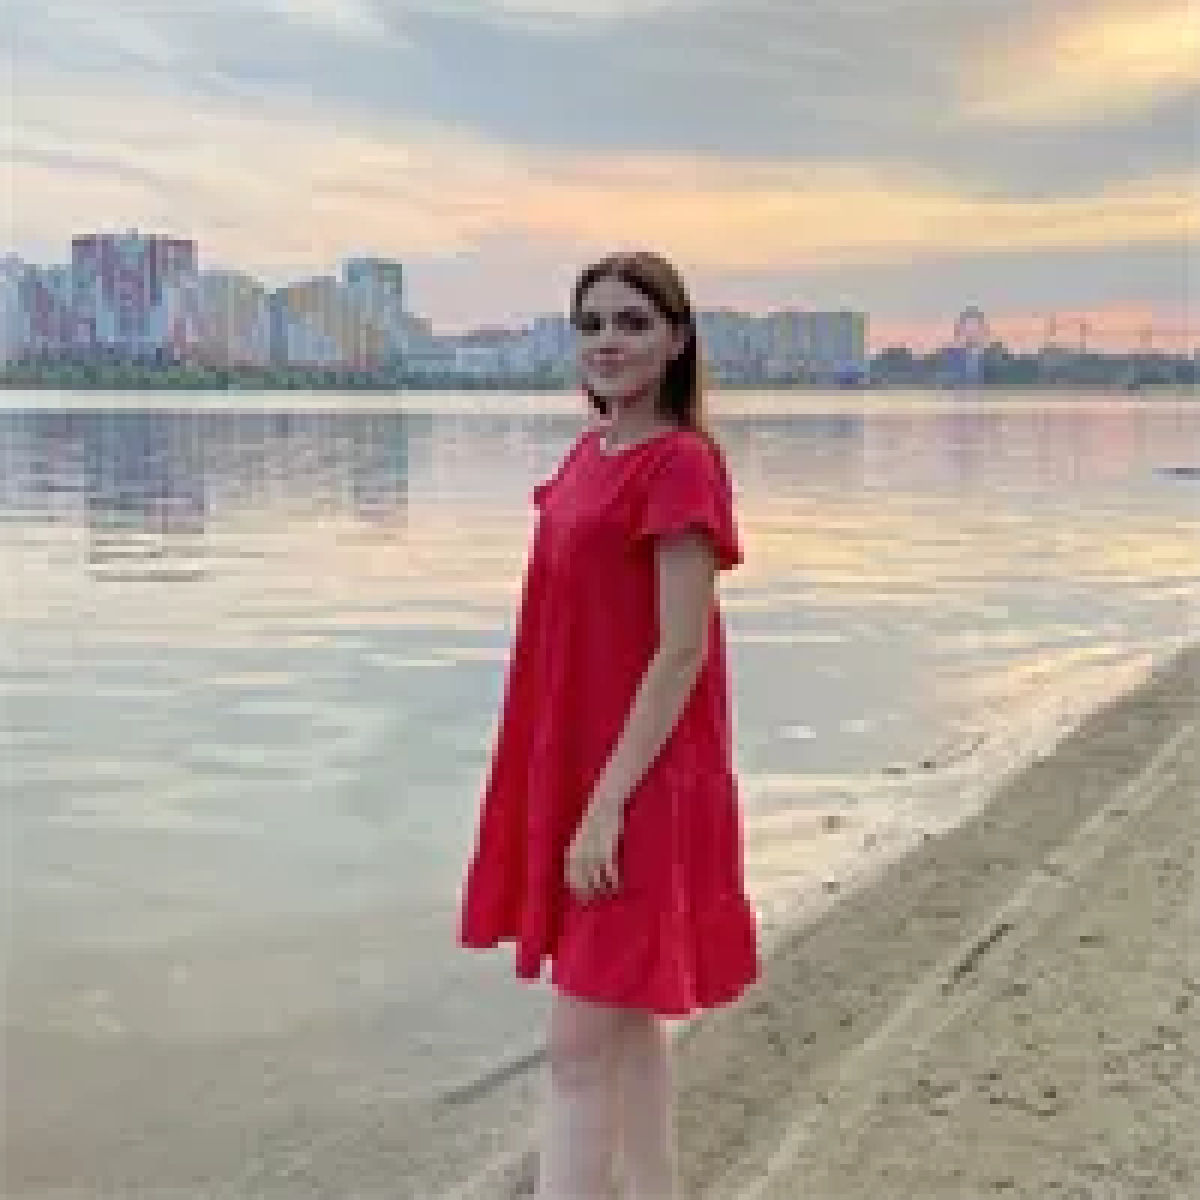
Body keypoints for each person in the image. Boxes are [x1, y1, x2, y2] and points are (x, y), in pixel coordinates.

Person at [459, 250, 761, 1198]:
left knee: (576, 1049)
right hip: (581, 767)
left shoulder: (682, 465)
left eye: (633, 322)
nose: (609, 342)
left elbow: (681, 651)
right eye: (591, 324)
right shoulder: (588, 457)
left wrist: (604, 807)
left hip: (641, 780)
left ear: (676, 341)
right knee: (627, 1034)